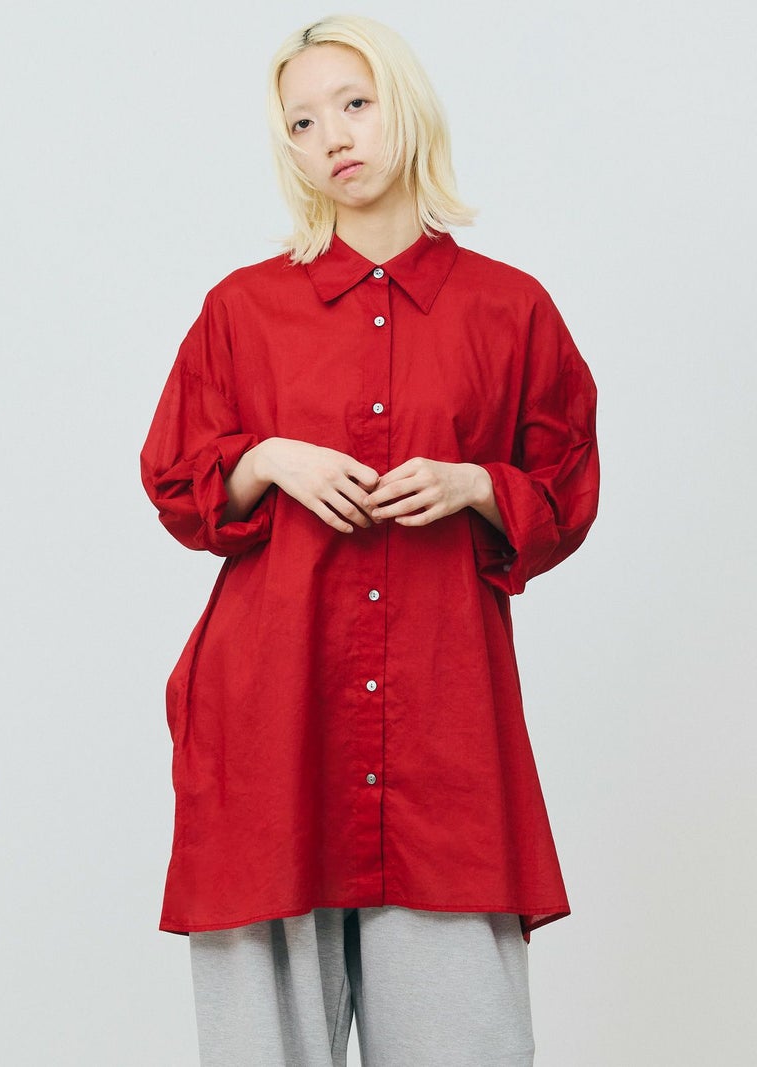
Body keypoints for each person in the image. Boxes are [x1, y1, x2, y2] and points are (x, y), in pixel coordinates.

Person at [140, 13, 599, 1067]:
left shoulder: (509, 309)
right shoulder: (243, 309)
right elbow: (177, 480)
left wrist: (477, 483)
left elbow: (565, 487)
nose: (333, 137)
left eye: (354, 103)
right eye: (302, 122)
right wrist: (266, 458)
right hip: (271, 735)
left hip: (445, 745)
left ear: (406, 106)